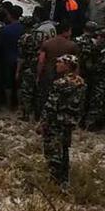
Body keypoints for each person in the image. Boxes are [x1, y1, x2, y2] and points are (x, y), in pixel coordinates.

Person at [40, 55, 85, 185]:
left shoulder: (60, 83)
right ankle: (64, 180)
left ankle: (54, 181)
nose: (57, 65)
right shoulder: (80, 82)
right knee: (64, 150)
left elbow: (51, 105)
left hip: (56, 122)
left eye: (60, 63)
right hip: (69, 122)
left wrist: (43, 123)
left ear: (67, 66)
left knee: (53, 151)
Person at [37, 22, 79, 112]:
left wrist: (38, 75)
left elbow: (41, 61)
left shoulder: (47, 43)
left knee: (45, 95)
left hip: (48, 73)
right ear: (66, 31)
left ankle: (41, 116)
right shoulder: (72, 45)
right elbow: (76, 63)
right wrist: (76, 77)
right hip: (64, 76)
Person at [0, 5, 25, 108]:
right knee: (19, 83)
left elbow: (0, 45)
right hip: (21, 59)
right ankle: (19, 105)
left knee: (8, 82)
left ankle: (8, 104)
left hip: (7, 58)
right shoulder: (24, 29)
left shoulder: (5, 30)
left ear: (10, 16)